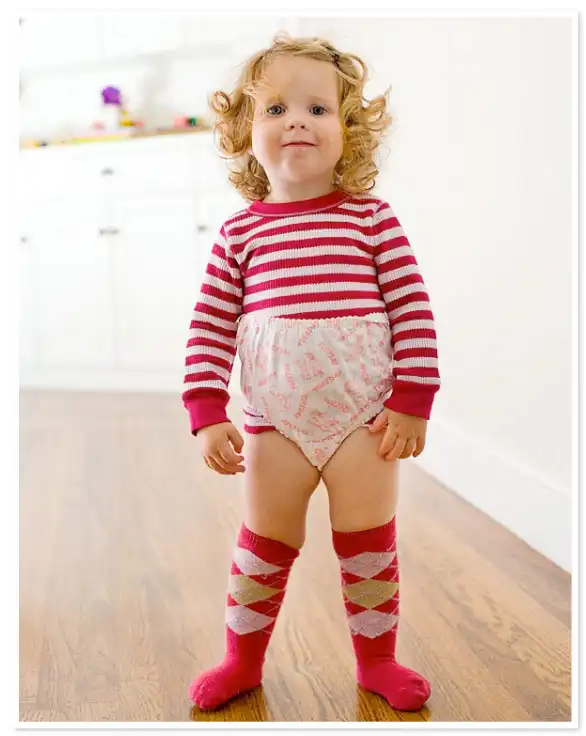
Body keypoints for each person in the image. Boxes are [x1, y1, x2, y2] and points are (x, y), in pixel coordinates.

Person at [181, 33, 441, 713]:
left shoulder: (371, 220)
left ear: (348, 131)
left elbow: (412, 309)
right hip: (276, 422)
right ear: (245, 133)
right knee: (263, 545)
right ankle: (242, 660)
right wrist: (207, 410)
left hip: (365, 419)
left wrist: (413, 399)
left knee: (368, 545)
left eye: (317, 109)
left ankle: (377, 661)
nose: (297, 120)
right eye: (276, 109)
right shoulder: (240, 235)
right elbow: (209, 325)